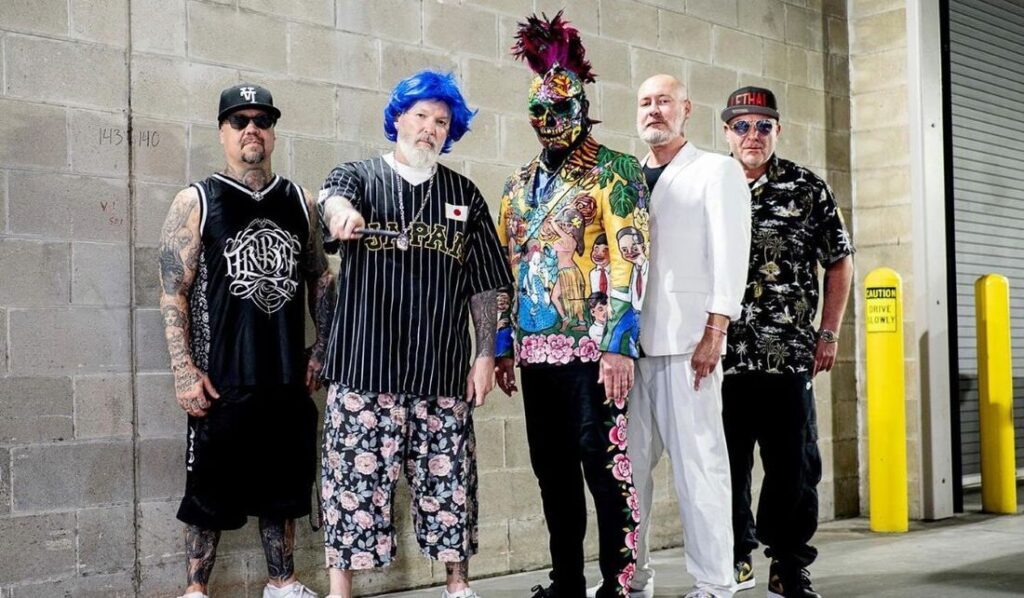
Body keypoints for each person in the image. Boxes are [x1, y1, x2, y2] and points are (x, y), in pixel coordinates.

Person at [316, 70, 512, 598]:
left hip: (440, 370)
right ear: (398, 118)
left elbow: (486, 285)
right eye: (421, 115)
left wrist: (485, 355)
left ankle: (457, 585)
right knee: (351, 486)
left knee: (450, 487)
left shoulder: (464, 195)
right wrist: (341, 214)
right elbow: (331, 198)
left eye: (441, 122)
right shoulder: (358, 176)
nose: (430, 128)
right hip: (363, 368)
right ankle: (340, 590)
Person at [494, 12, 649, 598]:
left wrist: (619, 345)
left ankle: (618, 584)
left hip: (594, 352)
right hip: (536, 354)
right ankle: (567, 583)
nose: (549, 120)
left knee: (605, 469)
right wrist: (503, 345)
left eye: (560, 108)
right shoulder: (516, 185)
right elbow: (506, 267)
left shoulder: (615, 171)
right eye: (538, 110)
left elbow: (633, 260)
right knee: (552, 472)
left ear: (583, 107)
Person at [159, 83, 329, 598]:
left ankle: (283, 583)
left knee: (284, 492)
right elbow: (173, 290)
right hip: (221, 380)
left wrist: (323, 346)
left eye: (262, 120)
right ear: (222, 132)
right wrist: (183, 369)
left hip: (285, 376)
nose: (251, 129)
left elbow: (321, 278)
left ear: (273, 133)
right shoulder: (197, 200)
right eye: (239, 120)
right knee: (207, 495)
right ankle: (196, 590)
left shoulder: (300, 201)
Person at [618, 74, 752, 598]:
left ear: (686, 109)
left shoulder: (716, 171)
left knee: (700, 468)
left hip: (688, 345)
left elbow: (730, 254)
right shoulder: (626, 176)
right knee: (627, 472)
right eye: (645, 102)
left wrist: (715, 330)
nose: (654, 110)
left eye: (664, 101)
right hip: (629, 349)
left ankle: (715, 582)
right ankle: (632, 577)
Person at [720, 86, 854, 598]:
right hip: (722, 357)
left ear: (778, 130)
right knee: (725, 465)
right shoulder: (709, 185)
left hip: (789, 356)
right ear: (727, 132)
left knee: (794, 468)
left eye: (763, 125)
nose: (752, 135)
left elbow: (839, 260)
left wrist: (828, 331)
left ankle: (788, 563)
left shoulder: (806, 188)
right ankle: (733, 557)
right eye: (741, 125)